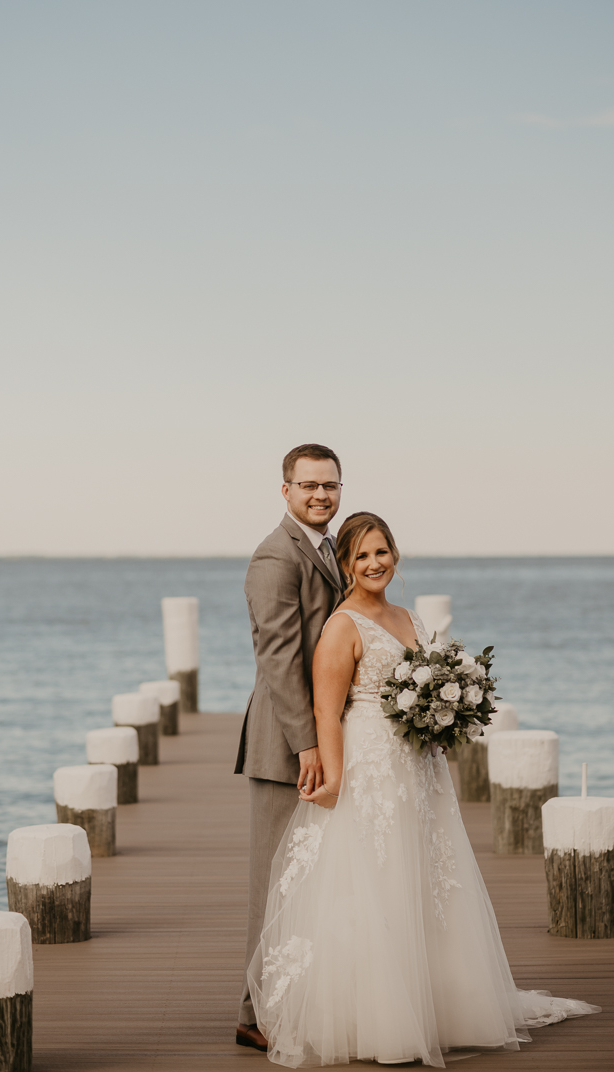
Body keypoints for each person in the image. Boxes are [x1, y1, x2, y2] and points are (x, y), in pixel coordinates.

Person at [247, 512, 600, 1067]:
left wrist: (445, 718)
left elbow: (427, 681)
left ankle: (438, 1004)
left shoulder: (407, 617)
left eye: (382, 552)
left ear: (395, 555)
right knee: (375, 877)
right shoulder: (342, 625)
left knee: (426, 878)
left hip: (418, 768)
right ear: (345, 564)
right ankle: (378, 1017)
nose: (374, 563)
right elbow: (326, 708)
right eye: (361, 556)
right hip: (369, 767)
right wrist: (333, 777)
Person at [235, 444, 345, 1051]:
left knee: (312, 880)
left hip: (322, 742)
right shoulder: (276, 556)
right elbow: (278, 659)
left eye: (329, 485)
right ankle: (253, 1012)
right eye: (308, 486)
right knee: (274, 882)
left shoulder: (327, 548)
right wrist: (307, 745)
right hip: (284, 751)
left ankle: (296, 997)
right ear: (285, 490)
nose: (320, 495)